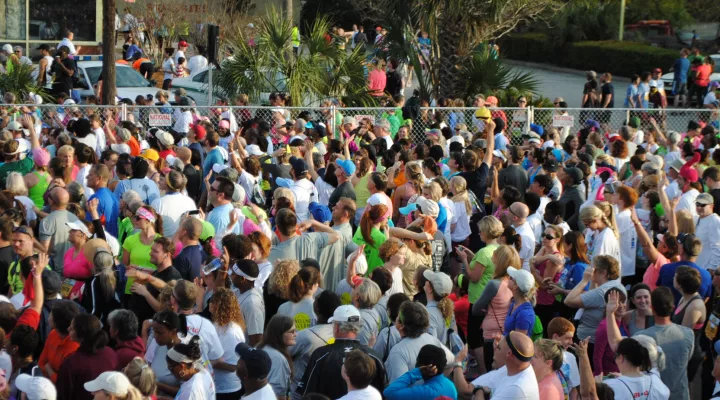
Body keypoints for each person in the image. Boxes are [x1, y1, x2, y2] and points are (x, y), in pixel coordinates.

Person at [296, 305, 386, 399]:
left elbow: (307, 394)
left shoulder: (320, 355)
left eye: (333, 324)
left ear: (337, 327)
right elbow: (384, 392)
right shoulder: (373, 356)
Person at [635, 287, 694, 400]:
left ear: (652, 308)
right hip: (680, 395)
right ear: (672, 307)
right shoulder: (688, 333)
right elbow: (687, 358)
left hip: (654, 395)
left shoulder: (640, 338)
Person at [564, 255, 625, 360]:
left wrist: (584, 281)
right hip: (599, 339)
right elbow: (592, 297)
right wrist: (593, 280)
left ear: (603, 272)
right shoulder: (616, 285)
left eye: (592, 268)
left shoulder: (602, 292)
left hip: (589, 342)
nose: (589, 270)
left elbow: (568, 301)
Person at [456, 331, 540, 400]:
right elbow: (466, 389)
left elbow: (469, 390)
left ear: (509, 354)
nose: (495, 350)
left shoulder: (517, 389)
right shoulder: (510, 368)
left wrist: (479, 391)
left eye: (499, 348)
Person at [56, 314, 119, 400]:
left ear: (81, 333)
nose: (68, 329)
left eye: (72, 328)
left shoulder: (71, 363)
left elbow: (62, 395)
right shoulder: (110, 353)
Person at [290, 291, 341, 393]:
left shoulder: (304, 336)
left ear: (317, 308)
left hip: (302, 392)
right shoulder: (343, 333)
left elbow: (285, 353)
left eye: (316, 299)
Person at [602, 338, 670, 400]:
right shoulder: (655, 380)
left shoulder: (610, 386)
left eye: (615, 356)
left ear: (621, 358)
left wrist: (597, 384)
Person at [208, 288, 246, 400]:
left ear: (217, 306)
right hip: (215, 386)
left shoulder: (231, 332)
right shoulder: (218, 325)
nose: (209, 303)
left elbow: (233, 366)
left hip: (227, 390)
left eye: (212, 301)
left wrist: (206, 361)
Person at [383, 344, 457, 400]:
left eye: (418, 361)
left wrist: (415, 373)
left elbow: (388, 393)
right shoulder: (451, 386)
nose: (416, 365)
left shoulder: (425, 392)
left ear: (426, 366)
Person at [37, 300, 80, 383]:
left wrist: (49, 370)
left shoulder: (74, 348)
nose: (48, 315)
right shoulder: (53, 334)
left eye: (51, 314)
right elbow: (41, 362)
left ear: (56, 323)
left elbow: (62, 382)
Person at [259, 314, 296, 399]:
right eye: (292, 331)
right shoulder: (278, 359)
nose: (295, 335)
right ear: (279, 334)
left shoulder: (262, 347)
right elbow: (278, 394)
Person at [547, 318, 581, 400]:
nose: (571, 342)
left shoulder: (570, 357)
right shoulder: (540, 356)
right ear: (555, 337)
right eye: (567, 338)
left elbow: (574, 389)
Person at [423, 270, 456, 344]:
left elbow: (431, 343)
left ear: (430, 289)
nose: (426, 281)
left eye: (428, 280)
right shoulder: (449, 310)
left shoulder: (429, 313)